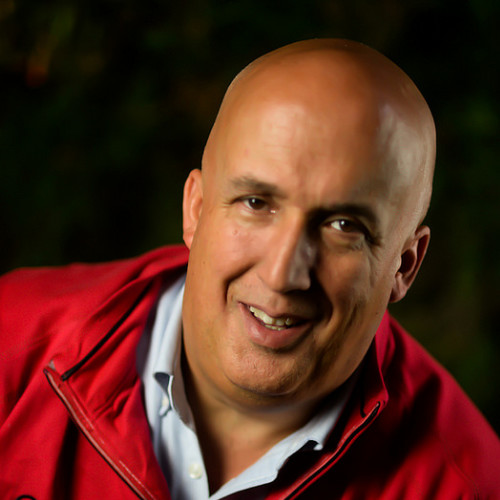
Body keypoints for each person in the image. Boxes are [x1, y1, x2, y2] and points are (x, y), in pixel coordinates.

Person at [1, 39, 498, 500]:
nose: (282, 275)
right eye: (256, 202)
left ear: (405, 266)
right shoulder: (11, 344)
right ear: (195, 209)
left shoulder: (467, 486)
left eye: (343, 226)